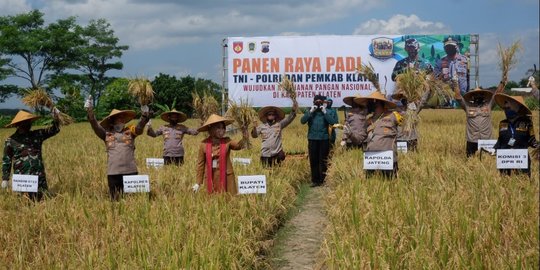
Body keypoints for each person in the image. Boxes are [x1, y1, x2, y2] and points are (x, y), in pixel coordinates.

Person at [85, 97, 150, 201]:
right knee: (115, 201)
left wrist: (144, 115)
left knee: (133, 202)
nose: (122, 119)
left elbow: (140, 127)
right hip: (113, 173)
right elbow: (95, 126)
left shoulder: (130, 132)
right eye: (119, 117)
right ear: (112, 120)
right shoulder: (105, 134)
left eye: (123, 118)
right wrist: (90, 111)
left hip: (131, 172)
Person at [2, 109, 61, 201]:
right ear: (19, 124)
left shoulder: (37, 135)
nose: (28, 124)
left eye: (29, 122)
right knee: (25, 202)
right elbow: (7, 160)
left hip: (38, 176)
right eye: (25, 122)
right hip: (22, 178)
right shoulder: (11, 141)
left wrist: (56, 118)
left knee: (42, 200)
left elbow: (54, 130)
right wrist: (5, 178)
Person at [193, 114, 248, 194]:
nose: (222, 130)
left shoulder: (227, 141)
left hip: (226, 177)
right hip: (211, 177)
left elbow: (239, 146)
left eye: (223, 128)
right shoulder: (203, 144)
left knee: (228, 200)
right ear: (211, 129)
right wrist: (198, 182)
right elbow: (200, 164)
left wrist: (245, 136)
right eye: (218, 128)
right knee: (212, 202)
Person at [454, 77, 505, 157]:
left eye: (480, 94)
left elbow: (497, 94)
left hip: (487, 140)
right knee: (470, 162)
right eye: (476, 94)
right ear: (472, 96)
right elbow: (458, 97)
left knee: (487, 162)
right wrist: (455, 83)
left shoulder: (489, 105)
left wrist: (503, 81)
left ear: (483, 96)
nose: (478, 96)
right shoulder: (467, 106)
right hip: (472, 140)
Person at [355, 91, 402, 179]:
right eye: (371, 103)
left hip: (388, 161)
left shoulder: (393, 116)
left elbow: (409, 121)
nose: (373, 106)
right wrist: (349, 133)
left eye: (376, 103)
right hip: (371, 161)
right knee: (371, 187)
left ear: (382, 104)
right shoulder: (368, 121)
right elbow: (359, 139)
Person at [493, 94, 538, 177]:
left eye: (508, 108)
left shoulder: (527, 123)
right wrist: (494, 149)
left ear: (517, 108)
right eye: (505, 109)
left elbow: (531, 140)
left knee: (523, 183)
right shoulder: (502, 123)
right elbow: (500, 140)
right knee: (505, 184)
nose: (506, 111)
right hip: (505, 160)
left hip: (521, 159)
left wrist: (537, 147)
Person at [301, 95, 338, 187]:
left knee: (323, 160)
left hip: (324, 139)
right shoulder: (310, 111)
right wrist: (310, 111)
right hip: (312, 138)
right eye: (316, 101)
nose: (318, 103)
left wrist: (324, 112)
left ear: (323, 102)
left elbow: (333, 122)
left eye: (320, 101)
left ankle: (323, 180)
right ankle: (315, 180)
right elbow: (302, 121)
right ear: (313, 102)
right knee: (313, 160)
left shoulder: (327, 111)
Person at [251, 101, 297, 167]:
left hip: (276, 154)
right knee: (266, 173)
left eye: (273, 114)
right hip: (265, 154)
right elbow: (254, 135)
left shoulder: (279, 124)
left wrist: (293, 111)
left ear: (275, 116)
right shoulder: (262, 126)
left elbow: (288, 120)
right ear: (266, 116)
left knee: (277, 172)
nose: (271, 116)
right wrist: (254, 127)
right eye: (269, 114)